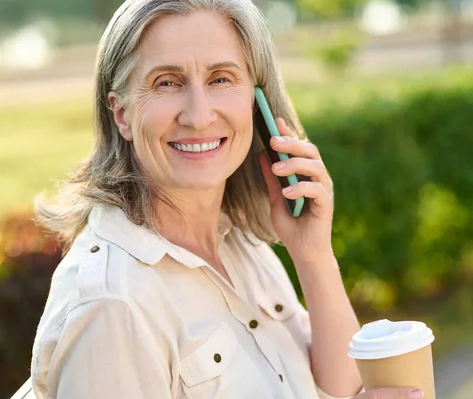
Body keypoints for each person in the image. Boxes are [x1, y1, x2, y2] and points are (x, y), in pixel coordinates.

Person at [30, 1, 424, 398]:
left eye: (221, 79)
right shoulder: (112, 306)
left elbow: (345, 389)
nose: (199, 116)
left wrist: (313, 255)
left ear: (256, 102)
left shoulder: (241, 244)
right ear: (122, 114)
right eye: (167, 82)